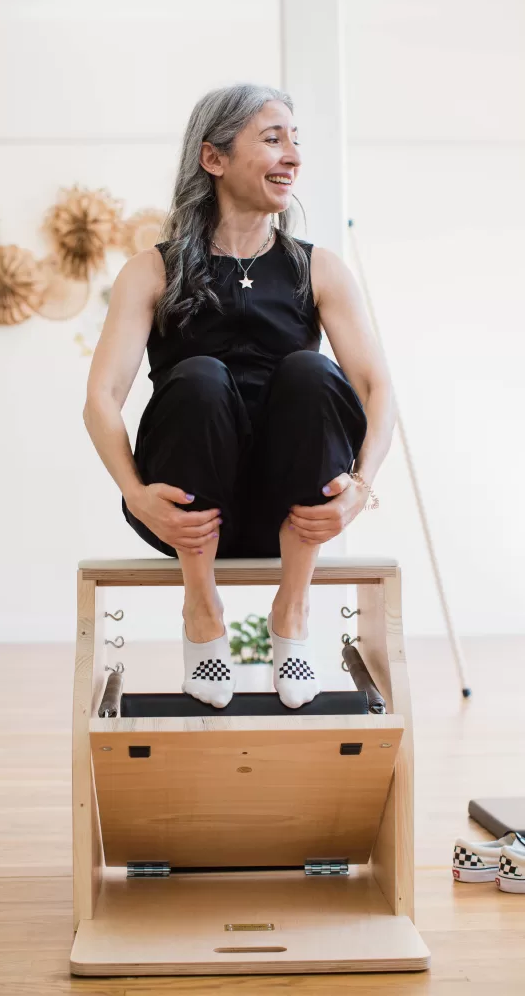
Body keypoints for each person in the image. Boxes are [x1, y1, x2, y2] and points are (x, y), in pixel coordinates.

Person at [83, 83, 395, 711]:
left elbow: (376, 387)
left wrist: (360, 487)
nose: (293, 157)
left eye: (296, 141)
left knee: (310, 372)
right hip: (190, 514)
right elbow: (101, 398)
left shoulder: (319, 269)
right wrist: (137, 496)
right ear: (214, 158)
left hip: (293, 513)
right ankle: (202, 610)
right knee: (198, 375)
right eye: (273, 139)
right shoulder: (153, 270)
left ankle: (293, 607)